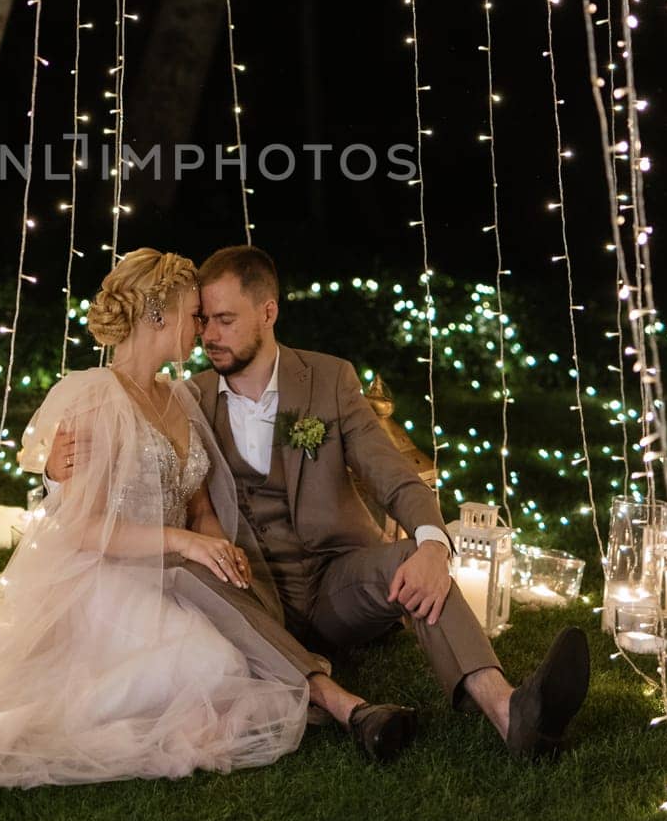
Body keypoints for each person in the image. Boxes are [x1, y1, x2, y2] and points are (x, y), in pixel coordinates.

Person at [0, 249, 410, 787]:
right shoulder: (92, 397)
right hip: (105, 580)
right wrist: (183, 543)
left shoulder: (181, 399)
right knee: (208, 668)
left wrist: (216, 548)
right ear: (158, 315)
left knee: (223, 654)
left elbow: (199, 502)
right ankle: (19, 721)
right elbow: (81, 529)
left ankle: (325, 693)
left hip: (179, 570)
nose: (203, 330)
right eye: (193, 316)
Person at [47, 246, 591, 759]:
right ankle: (339, 700)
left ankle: (509, 708)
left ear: (268, 311)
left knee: (416, 562)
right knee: (192, 571)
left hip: (336, 584)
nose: (209, 335)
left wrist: (431, 544)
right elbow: (130, 464)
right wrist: (53, 465)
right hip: (249, 591)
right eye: (203, 319)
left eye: (225, 320)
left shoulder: (330, 380)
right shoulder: (191, 397)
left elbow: (395, 476)